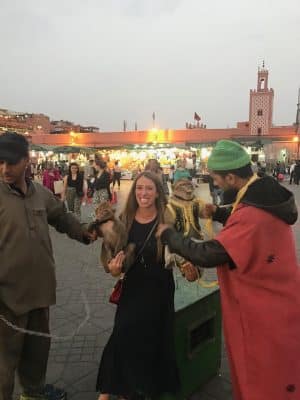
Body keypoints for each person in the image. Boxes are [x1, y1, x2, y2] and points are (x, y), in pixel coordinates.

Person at [156, 140, 300, 400]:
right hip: (280, 304)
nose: (215, 184)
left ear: (232, 177)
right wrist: (220, 213)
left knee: (264, 381)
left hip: (264, 314)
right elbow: (241, 216)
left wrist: (169, 235)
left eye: (216, 179)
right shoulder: (263, 193)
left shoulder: (252, 215)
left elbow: (208, 254)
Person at [0, 132, 96, 400]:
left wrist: (84, 233)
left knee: (37, 353)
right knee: (3, 367)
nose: (4, 169)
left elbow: (62, 217)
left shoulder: (39, 193)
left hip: (40, 293)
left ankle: (32, 394)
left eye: (11, 162)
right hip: (6, 301)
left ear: (26, 160)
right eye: (0, 162)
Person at [96, 171, 180, 400]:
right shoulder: (124, 219)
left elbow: (181, 252)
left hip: (161, 289)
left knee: (154, 340)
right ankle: (123, 389)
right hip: (134, 289)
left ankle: (144, 389)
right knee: (124, 334)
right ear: (134, 191)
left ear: (158, 192)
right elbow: (110, 260)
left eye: (149, 188)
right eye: (139, 188)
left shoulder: (168, 219)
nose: (143, 193)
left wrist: (191, 267)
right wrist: (114, 269)